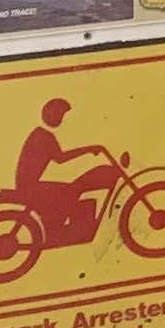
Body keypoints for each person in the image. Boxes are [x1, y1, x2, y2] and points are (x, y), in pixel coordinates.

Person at [9, 99, 124, 247]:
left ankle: (63, 228)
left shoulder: (40, 133)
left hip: (28, 184)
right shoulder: (44, 136)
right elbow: (61, 158)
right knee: (71, 190)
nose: (60, 118)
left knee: (71, 188)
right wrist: (89, 149)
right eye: (59, 115)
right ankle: (56, 231)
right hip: (30, 186)